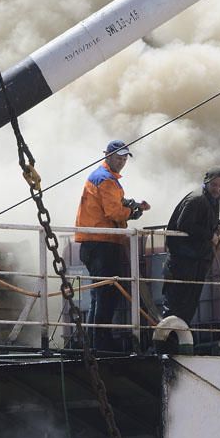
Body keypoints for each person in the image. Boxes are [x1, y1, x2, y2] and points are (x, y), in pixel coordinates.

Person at [74, 140, 150, 351]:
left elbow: (113, 205)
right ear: (107, 155)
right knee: (107, 294)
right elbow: (113, 212)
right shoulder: (106, 180)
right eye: (119, 157)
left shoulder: (102, 177)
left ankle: (94, 341)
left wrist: (130, 205)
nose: (122, 161)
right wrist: (133, 212)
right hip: (102, 244)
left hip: (95, 243)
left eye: (125, 158)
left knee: (100, 295)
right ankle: (101, 343)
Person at [162, 168, 220, 325]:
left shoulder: (211, 198)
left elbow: (202, 219)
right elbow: (184, 224)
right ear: (206, 182)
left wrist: (217, 226)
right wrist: (209, 235)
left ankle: (180, 342)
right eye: (214, 185)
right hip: (183, 260)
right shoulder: (197, 199)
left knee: (188, 305)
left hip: (196, 260)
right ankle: (167, 344)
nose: (218, 189)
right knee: (176, 304)